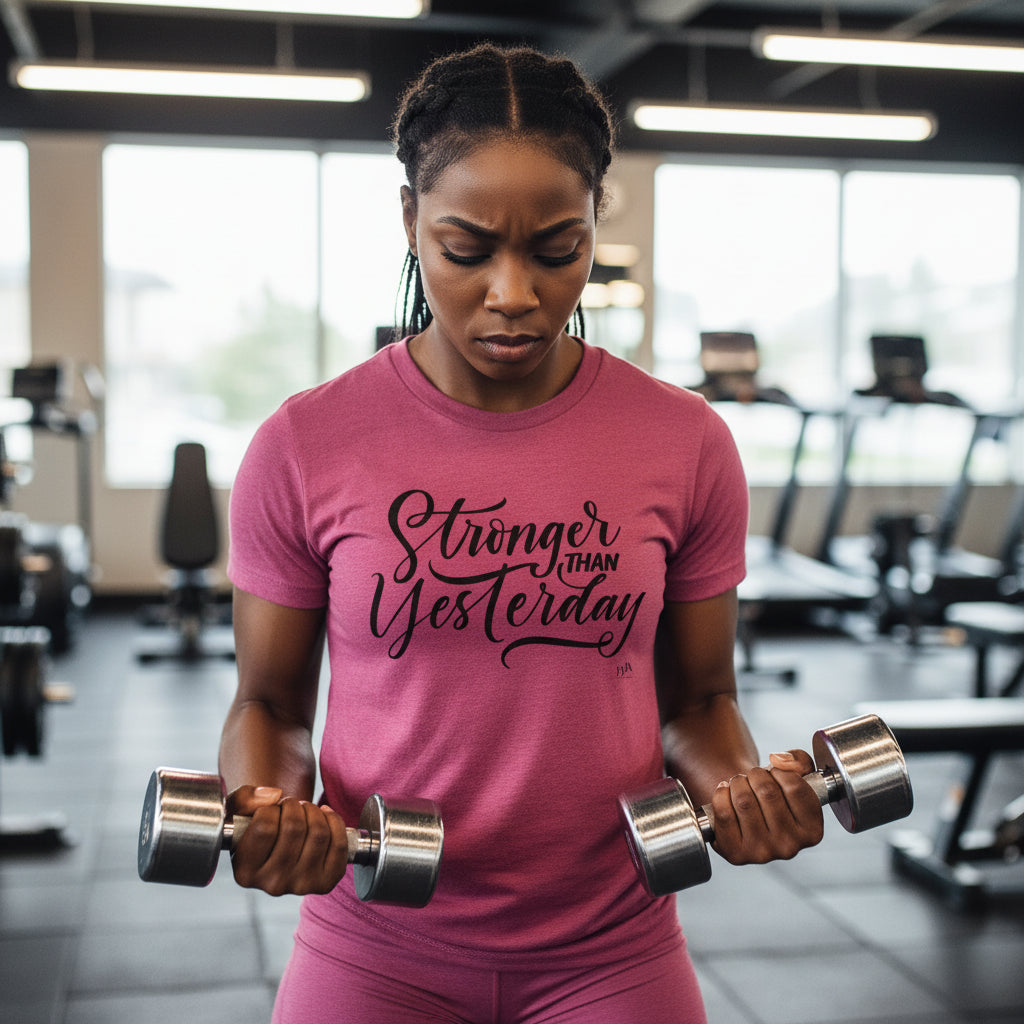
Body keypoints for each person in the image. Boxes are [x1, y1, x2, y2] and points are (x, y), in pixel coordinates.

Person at [220, 42, 825, 1024]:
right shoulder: (306, 443)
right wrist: (264, 810)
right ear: (410, 219)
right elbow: (270, 704)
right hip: (374, 944)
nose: (513, 293)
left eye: (557, 250)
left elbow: (701, 699)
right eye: (466, 250)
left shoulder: (684, 442)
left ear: (593, 226)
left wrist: (739, 792)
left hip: (613, 948)